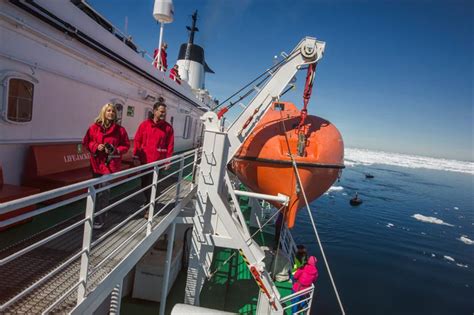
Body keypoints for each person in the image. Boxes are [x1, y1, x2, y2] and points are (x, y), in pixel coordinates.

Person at [83, 103, 130, 229]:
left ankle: (100, 218)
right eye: (108, 111)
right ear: (103, 112)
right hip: (96, 163)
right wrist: (96, 146)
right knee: (94, 191)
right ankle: (91, 215)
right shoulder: (93, 128)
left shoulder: (120, 130)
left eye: (113, 111)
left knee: (104, 191)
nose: (111, 113)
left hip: (110, 164)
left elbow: (126, 145)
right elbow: (86, 142)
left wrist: (115, 150)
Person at [133, 102, 174, 215]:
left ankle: (149, 207)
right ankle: (150, 201)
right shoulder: (144, 125)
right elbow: (137, 140)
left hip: (157, 162)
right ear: (155, 111)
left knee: (152, 184)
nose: (163, 114)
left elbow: (170, 145)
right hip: (144, 161)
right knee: (144, 184)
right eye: (161, 111)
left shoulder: (168, 128)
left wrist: (168, 160)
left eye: (164, 112)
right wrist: (136, 156)